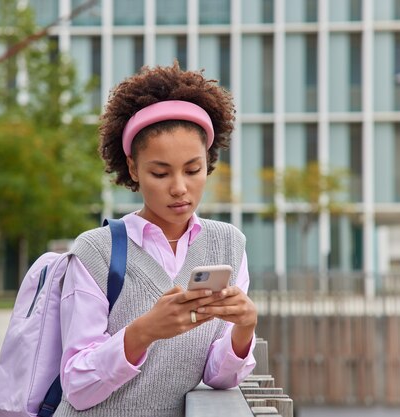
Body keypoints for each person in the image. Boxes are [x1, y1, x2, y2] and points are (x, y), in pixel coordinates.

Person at [54, 63, 258, 417]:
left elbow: (219, 377)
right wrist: (144, 331)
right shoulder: (96, 251)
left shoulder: (228, 244)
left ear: (208, 162)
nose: (179, 188)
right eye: (160, 173)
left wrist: (244, 329)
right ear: (133, 169)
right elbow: (77, 386)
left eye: (193, 170)